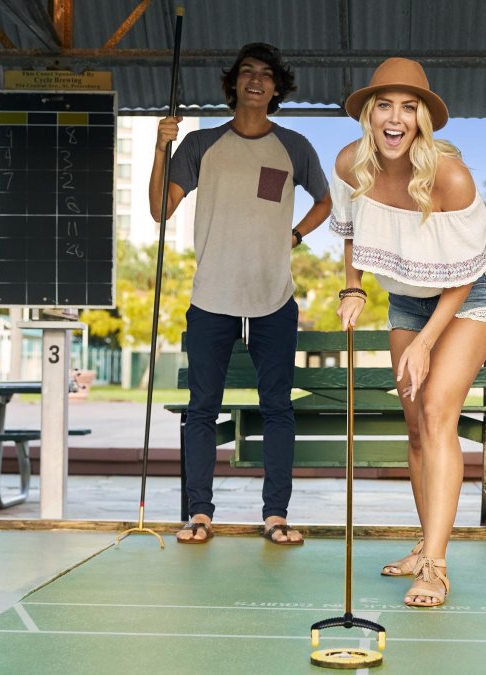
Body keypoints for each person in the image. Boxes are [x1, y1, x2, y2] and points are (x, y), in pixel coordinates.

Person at [331, 58, 486, 606]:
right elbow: (352, 237)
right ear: (368, 114)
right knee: (413, 422)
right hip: (407, 294)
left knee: (436, 410)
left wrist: (428, 342)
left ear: (423, 119)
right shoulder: (349, 166)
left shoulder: (450, 177)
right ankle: (423, 540)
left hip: (470, 292)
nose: (395, 117)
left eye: (409, 107)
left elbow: (464, 272)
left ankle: (436, 564)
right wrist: (353, 288)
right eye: (385, 104)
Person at [150, 43, 331, 545]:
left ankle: (276, 516)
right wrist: (160, 148)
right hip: (212, 297)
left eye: (266, 74)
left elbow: (326, 201)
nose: (256, 79)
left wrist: (293, 235)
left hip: (274, 296)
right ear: (233, 84)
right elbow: (160, 210)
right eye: (247, 72)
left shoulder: (294, 146)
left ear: (277, 88)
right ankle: (199, 514)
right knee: (202, 408)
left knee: (277, 407)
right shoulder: (201, 144)